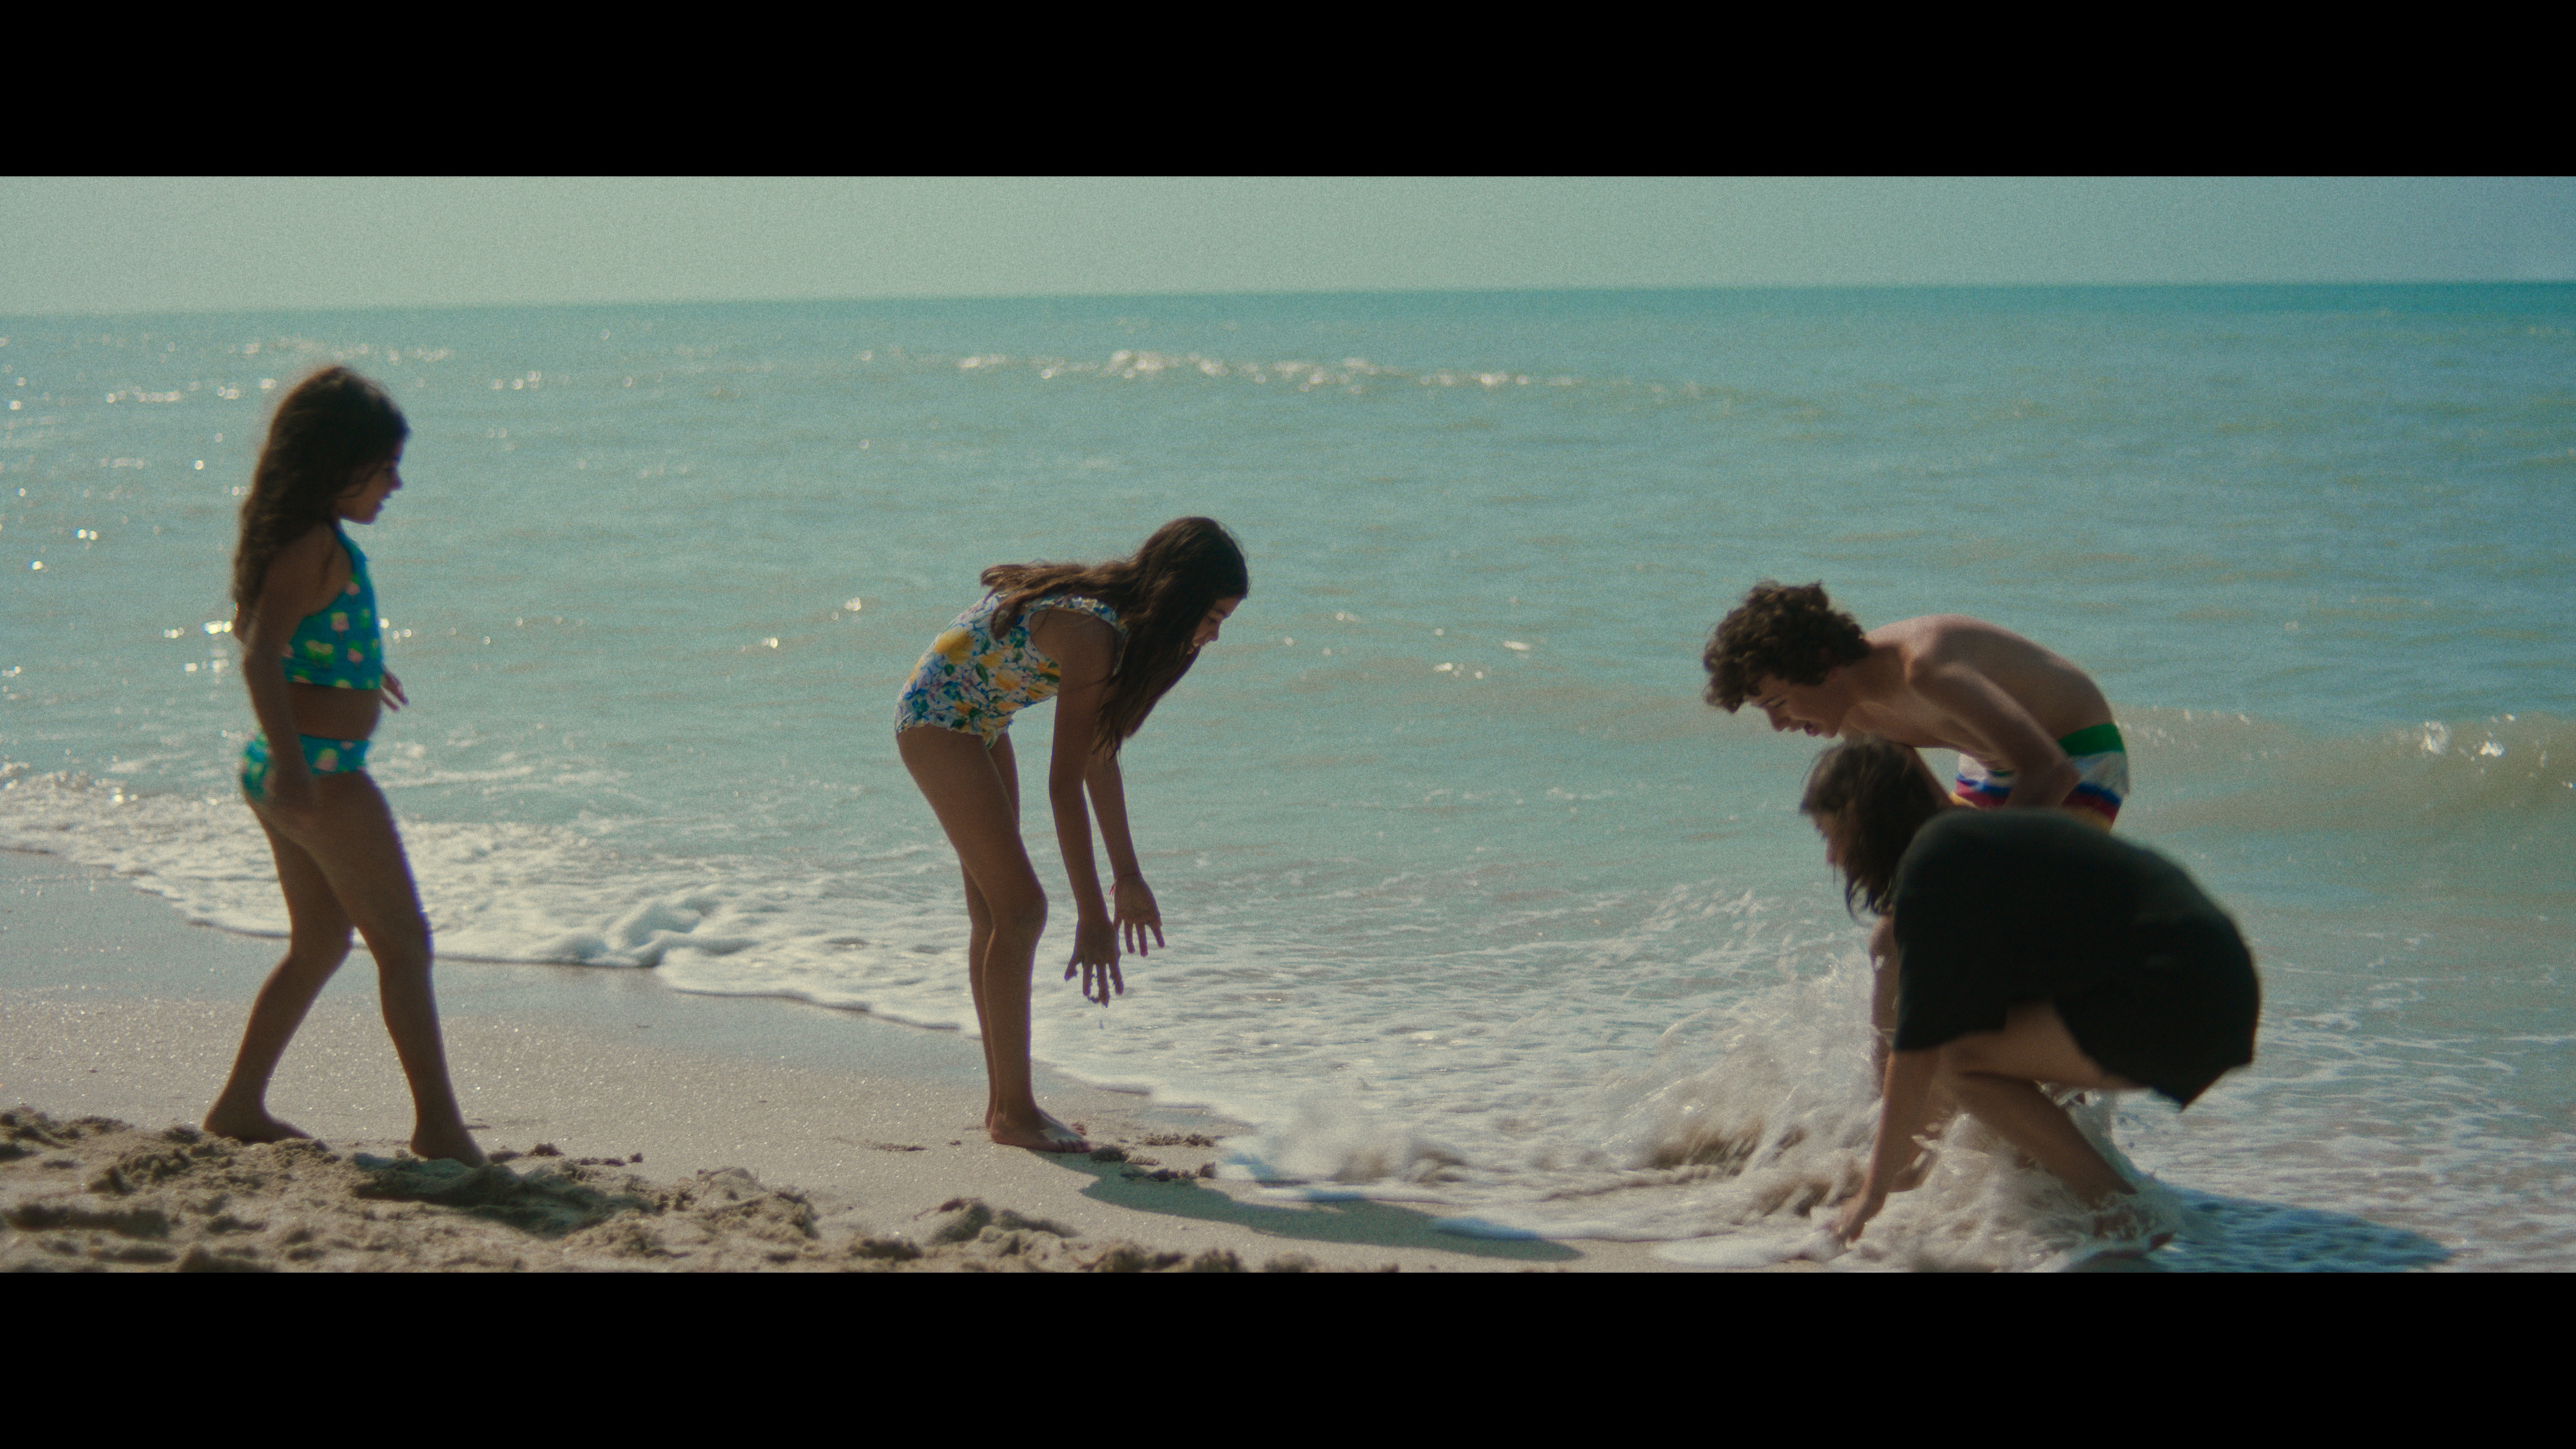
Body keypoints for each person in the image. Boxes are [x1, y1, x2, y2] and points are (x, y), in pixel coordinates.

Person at [1799, 737, 2257, 1245]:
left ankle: (2118, 1206)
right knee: (1982, 1045)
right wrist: (1906, 1168)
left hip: (2180, 1002)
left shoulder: (1935, 866)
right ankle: (2063, 1199)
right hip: (2216, 993)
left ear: (1860, 817)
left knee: (1957, 1058)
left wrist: (1872, 1196)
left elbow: (1918, 1053)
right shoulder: (1966, 846)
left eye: (1828, 835)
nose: (1831, 857)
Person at [202, 368, 483, 1165]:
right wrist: (297, 766)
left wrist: (356, 675)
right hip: (320, 777)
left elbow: (273, 634)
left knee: (322, 943)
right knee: (406, 945)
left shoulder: (304, 541)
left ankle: (239, 1104)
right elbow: (259, 657)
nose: (396, 484)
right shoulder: (313, 546)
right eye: (385, 467)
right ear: (336, 464)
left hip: (290, 767)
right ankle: (439, 1128)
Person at [896, 517, 1248, 1152]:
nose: (1215, 634)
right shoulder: (1092, 633)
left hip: (980, 723)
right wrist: (1091, 914)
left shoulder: (1119, 628)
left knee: (997, 917)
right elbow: (1063, 786)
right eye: (1212, 616)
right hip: (937, 722)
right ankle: (1014, 1112)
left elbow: (1098, 758)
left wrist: (1127, 876)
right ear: (1179, 596)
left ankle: (1006, 1106)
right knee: (1022, 911)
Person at [1705, 581, 2129, 826]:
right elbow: (1938, 815)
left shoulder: (1926, 669)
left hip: (2078, 754)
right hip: (1990, 766)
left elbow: (2052, 770)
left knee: (2002, 901)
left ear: (1824, 664)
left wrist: (1985, 861)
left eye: (1778, 702)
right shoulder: (1854, 719)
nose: (1778, 724)